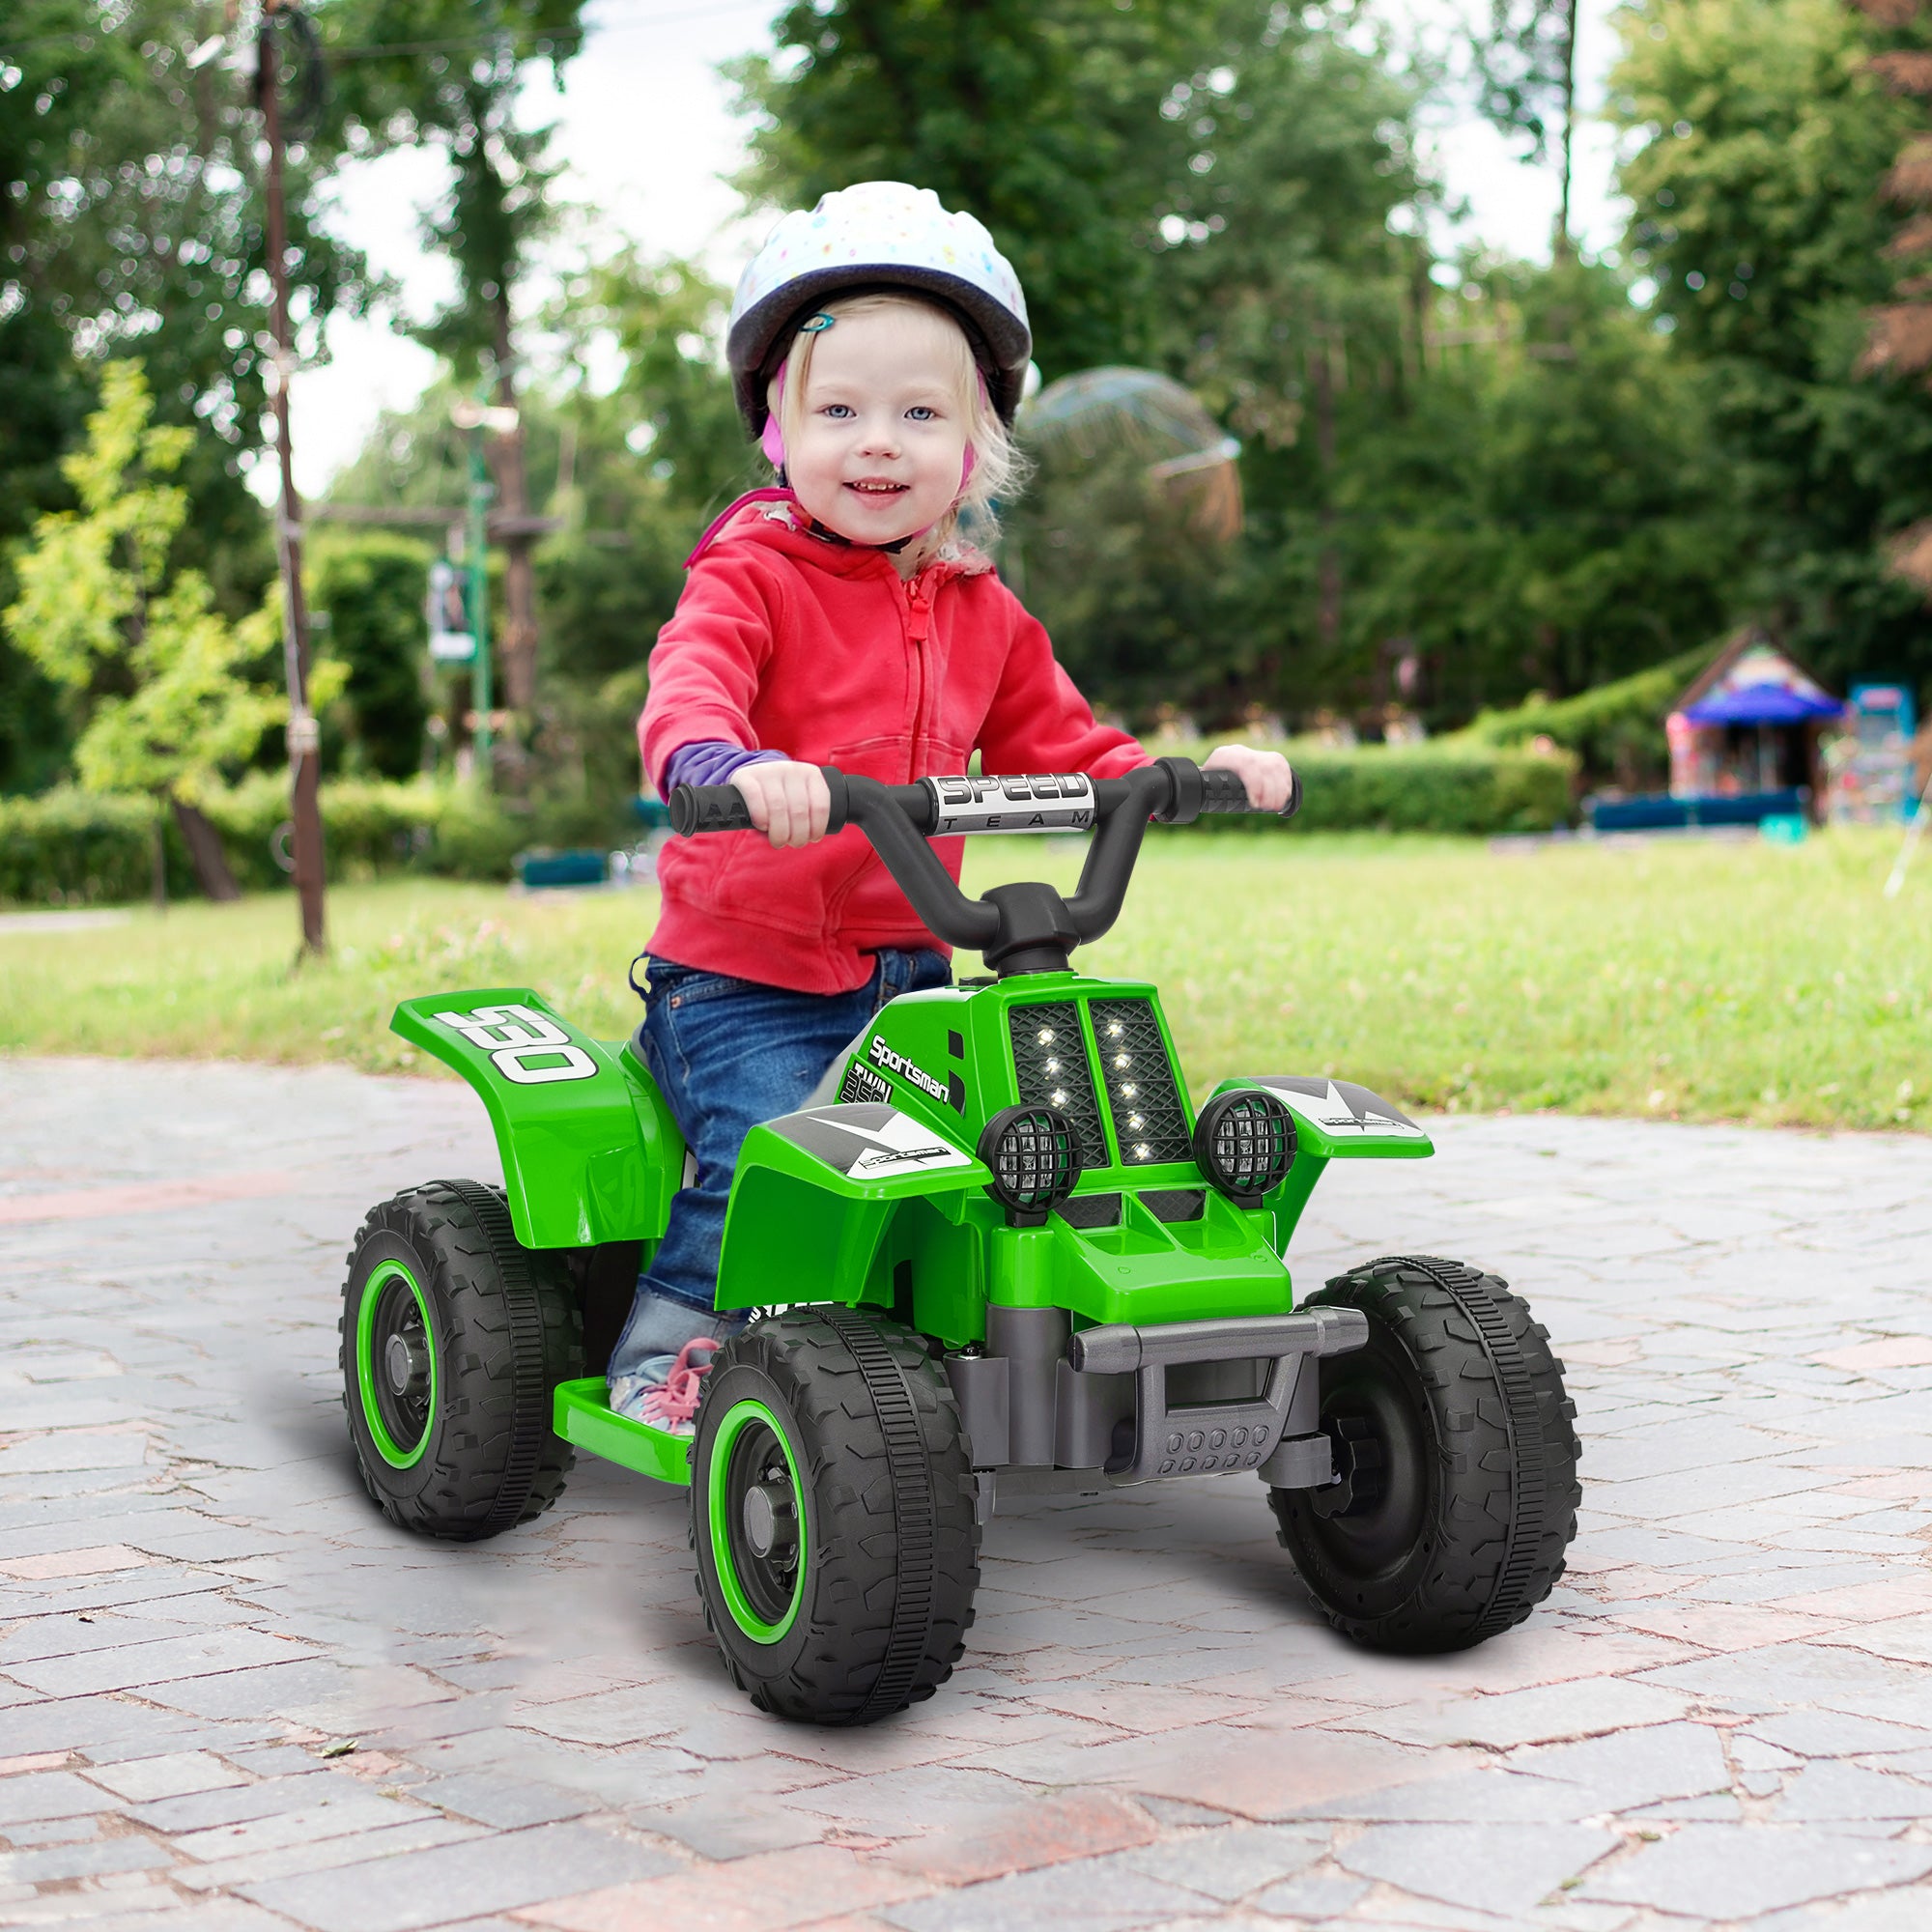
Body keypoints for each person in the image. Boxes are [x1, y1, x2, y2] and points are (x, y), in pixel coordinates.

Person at [607, 182, 1293, 1428]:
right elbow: (691, 685)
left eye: (921, 412)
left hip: (915, 961)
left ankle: (1038, 1329)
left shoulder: (982, 605)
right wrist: (723, 766)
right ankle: (672, 1357)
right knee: (772, 1159)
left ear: (974, 444)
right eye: (842, 411)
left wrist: (1179, 774)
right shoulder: (748, 579)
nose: (880, 441)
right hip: (746, 977)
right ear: (779, 430)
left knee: (1012, 1153)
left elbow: (1067, 742)